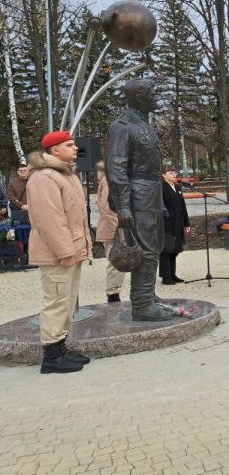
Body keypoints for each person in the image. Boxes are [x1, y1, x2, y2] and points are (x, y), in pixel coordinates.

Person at [106, 79, 173, 321]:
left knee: (153, 246)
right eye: (152, 93)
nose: (156, 96)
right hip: (137, 193)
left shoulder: (143, 124)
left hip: (151, 191)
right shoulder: (121, 126)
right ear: (138, 97)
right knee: (143, 248)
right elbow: (116, 168)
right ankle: (142, 305)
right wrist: (123, 205)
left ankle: (147, 295)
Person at [25, 131, 92, 373]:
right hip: (58, 252)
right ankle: (51, 357)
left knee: (66, 300)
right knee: (56, 301)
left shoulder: (65, 174)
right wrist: (65, 251)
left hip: (70, 249)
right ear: (55, 150)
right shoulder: (44, 178)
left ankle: (60, 347)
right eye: (70, 145)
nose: (76, 149)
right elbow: (50, 220)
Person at [159, 165, 190, 284]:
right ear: (164, 175)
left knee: (175, 248)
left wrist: (186, 223)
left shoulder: (177, 187)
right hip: (166, 223)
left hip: (178, 223)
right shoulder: (161, 188)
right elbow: (159, 207)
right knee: (167, 249)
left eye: (174, 172)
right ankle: (166, 277)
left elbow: (183, 206)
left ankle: (172, 274)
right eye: (170, 173)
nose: (174, 175)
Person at [96, 162, 122, 303]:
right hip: (114, 228)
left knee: (118, 261)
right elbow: (107, 209)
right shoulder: (109, 181)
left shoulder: (112, 178)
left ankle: (114, 291)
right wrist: (118, 231)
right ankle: (113, 293)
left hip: (117, 227)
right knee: (115, 260)